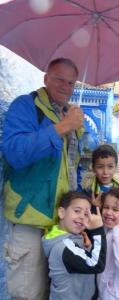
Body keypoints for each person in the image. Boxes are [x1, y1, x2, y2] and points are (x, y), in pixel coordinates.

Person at [2, 58, 84, 300]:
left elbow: (74, 167)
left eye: (71, 82)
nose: (65, 86)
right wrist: (61, 128)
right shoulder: (26, 107)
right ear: (46, 78)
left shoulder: (73, 115)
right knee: (28, 293)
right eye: (59, 79)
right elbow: (15, 153)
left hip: (61, 224)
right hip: (30, 218)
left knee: (57, 291)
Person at [42, 191, 106, 300]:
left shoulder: (65, 239)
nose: (82, 216)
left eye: (86, 214)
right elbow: (96, 265)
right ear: (61, 213)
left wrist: (88, 246)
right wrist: (98, 230)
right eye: (77, 211)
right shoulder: (64, 247)